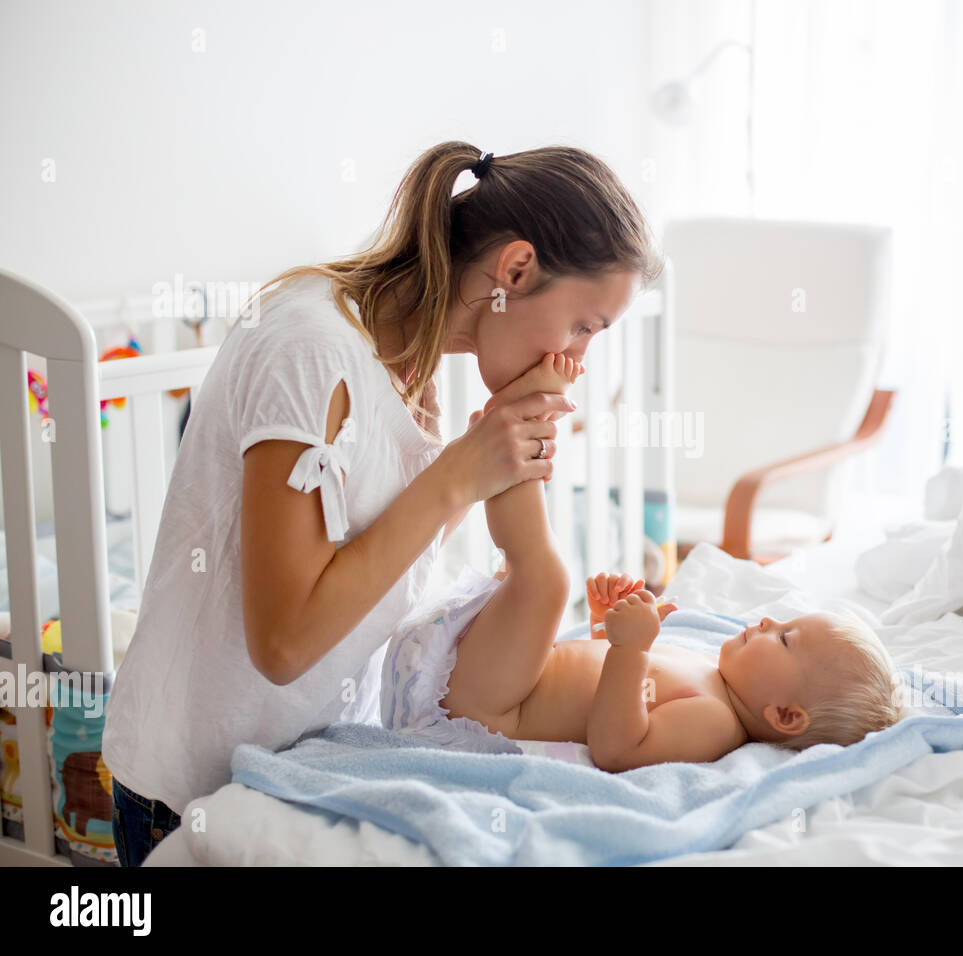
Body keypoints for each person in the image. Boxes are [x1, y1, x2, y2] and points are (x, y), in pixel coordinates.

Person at [103, 141, 660, 865]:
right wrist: (456, 476)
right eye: (585, 324)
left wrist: (485, 462)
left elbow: (379, 558)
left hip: (301, 774)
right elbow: (285, 643)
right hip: (190, 800)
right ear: (516, 269)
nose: (579, 358)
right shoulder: (311, 348)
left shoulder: (411, 367)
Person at [381, 352, 905, 772]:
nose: (767, 620)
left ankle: (514, 429)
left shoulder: (715, 722)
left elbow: (618, 747)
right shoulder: (708, 671)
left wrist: (630, 650)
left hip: (494, 711)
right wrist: (606, 632)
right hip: (505, 680)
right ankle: (506, 440)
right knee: (533, 580)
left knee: (543, 579)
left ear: (785, 715)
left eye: (786, 638)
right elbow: (591, 687)